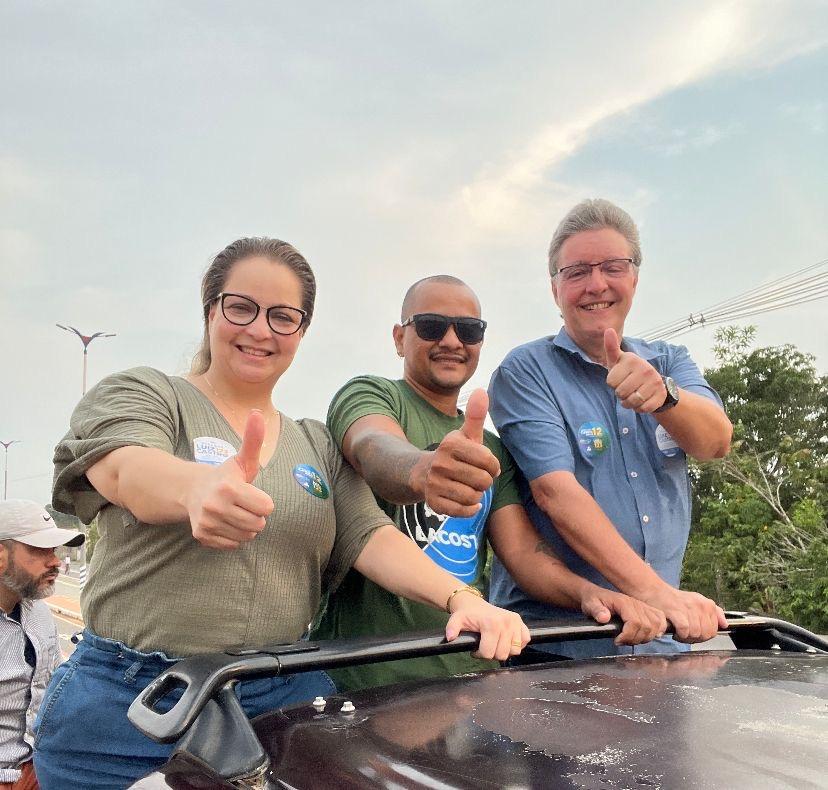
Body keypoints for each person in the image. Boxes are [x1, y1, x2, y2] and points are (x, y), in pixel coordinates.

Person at [34, 238, 528, 789]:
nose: (260, 330)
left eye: (283, 317)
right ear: (210, 310)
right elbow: (123, 467)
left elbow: (369, 534)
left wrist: (462, 599)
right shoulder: (148, 393)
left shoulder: (314, 443)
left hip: (279, 695)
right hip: (128, 704)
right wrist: (196, 490)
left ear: (302, 331)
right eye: (240, 307)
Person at [311, 275, 667, 690]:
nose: (451, 340)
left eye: (468, 330)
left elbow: (522, 553)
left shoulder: (493, 449)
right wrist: (422, 471)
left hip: (467, 675)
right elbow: (372, 446)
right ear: (399, 337)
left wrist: (589, 594)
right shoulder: (371, 394)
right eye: (430, 326)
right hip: (363, 679)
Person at [488, 199, 732, 658]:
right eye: (577, 272)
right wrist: (656, 593)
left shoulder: (670, 362)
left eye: (612, 267)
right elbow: (555, 493)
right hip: (557, 647)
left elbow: (715, 441)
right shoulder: (525, 370)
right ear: (555, 288)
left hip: (664, 642)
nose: (595, 284)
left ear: (635, 277)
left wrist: (665, 396)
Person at [0, 500, 84, 790]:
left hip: (42, 768)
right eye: (39, 550)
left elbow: (52, 687)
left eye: (55, 550)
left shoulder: (39, 612)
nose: (55, 561)